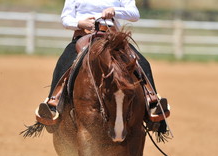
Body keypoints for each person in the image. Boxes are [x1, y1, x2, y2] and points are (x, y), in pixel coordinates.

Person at [36, 0, 166, 126]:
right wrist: (80, 23)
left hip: (113, 37)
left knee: (141, 62)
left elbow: (134, 14)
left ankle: (152, 102)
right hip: (83, 36)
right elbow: (65, 18)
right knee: (64, 62)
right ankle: (53, 103)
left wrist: (115, 11)